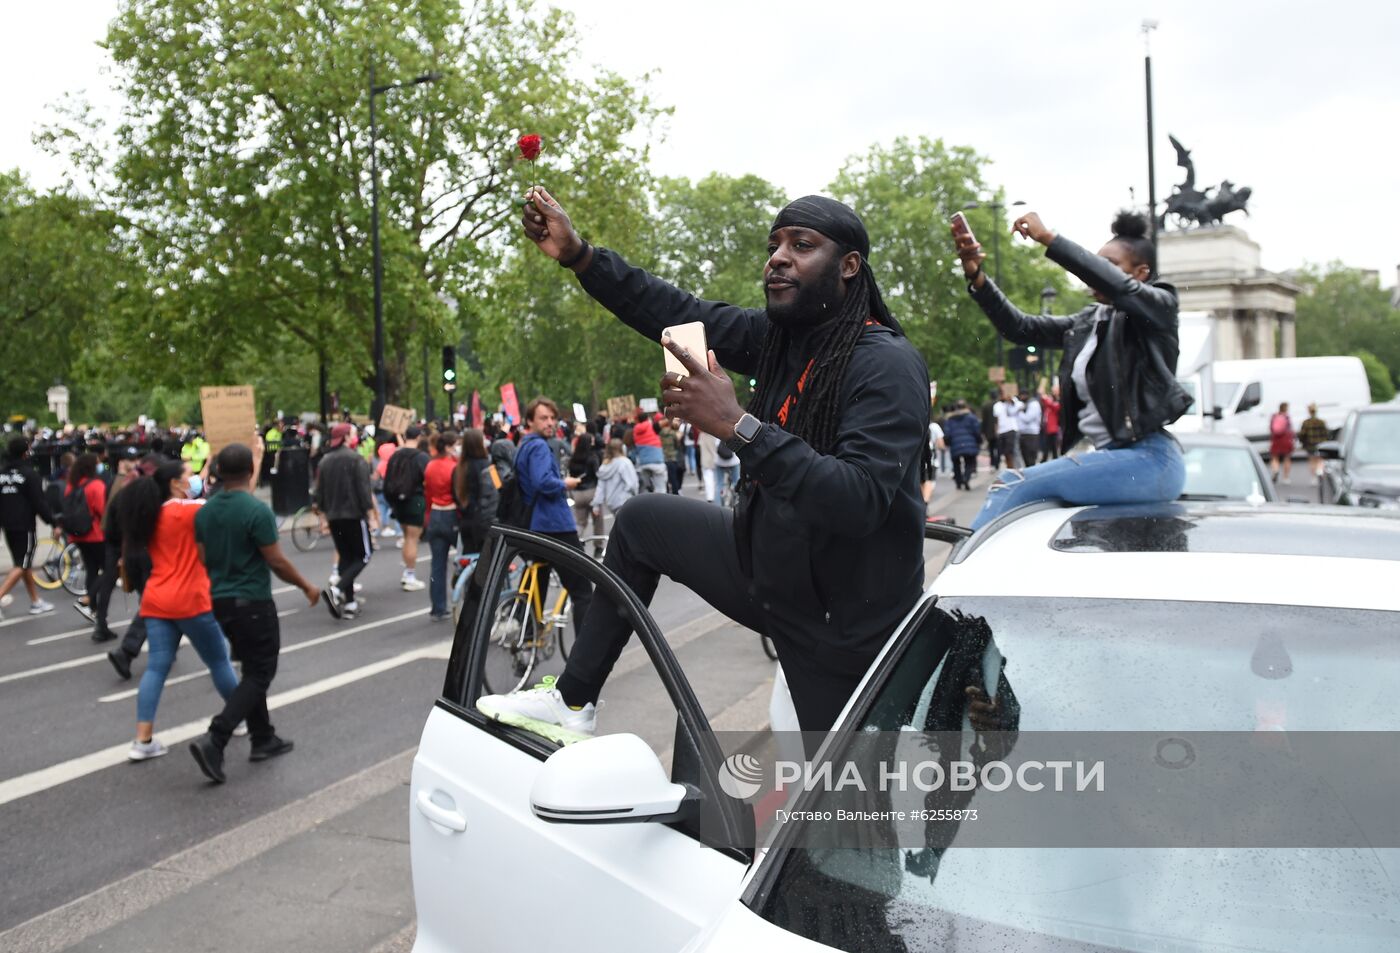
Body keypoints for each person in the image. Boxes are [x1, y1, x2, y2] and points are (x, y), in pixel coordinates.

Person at [482, 189, 928, 741]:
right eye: (774, 245)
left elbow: (858, 501)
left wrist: (739, 426)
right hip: (773, 574)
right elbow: (677, 314)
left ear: (849, 267)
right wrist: (581, 256)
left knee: (846, 809)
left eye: (802, 244)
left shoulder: (886, 363)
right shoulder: (779, 340)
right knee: (642, 521)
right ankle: (573, 703)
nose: (778, 257)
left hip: (842, 623)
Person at [954, 209, 1190, 530]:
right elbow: (1020, 328)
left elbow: (1122, 291)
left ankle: (964, 570)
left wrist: (1048, 239)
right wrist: (977, 276)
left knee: (1012, 482)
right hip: (1117, 458)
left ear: (1141, 273)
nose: (1096, 272)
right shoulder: (1088, 323)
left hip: (1150, 460)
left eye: (1110, 266)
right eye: (1097, 262)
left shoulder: (1160, 308)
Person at [189, 444, 317, 782]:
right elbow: (275, 560)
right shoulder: (255, 511)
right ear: (250, 470)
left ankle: (263, 738)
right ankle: (216, 738)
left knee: (250, 670)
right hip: (253, 601)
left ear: (216, 470)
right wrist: (306, 586)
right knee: (261, 672)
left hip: (221, 600)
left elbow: (203, 558)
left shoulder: (204, 512)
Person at [114, 459, 239, 761]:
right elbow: (232, 502)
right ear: (175, 483)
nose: (194, 478)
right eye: (189, 475)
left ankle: (143, 740)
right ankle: (240, 717)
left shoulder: (150, 514)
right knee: (219, 661)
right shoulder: (187, 511)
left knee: (156, 667)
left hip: (157, 600)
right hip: (192, 599)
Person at [510, 398, 594, 633]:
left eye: (552, 418)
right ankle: (584, 658)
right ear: (529, 421)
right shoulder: (538, 447)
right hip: (555, 524)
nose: (549, 423)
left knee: (538, 584)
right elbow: (542, 483)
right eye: (543, 418)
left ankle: (528, 639)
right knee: (582, 591)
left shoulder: (524, 445)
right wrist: (564, 483)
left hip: (534, 525)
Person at [314, 423, 377, 620]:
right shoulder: (356, 459)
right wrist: (371, 514)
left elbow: (319, 493)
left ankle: (349, 602)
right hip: (353, 514)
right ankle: (338, 590)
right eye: (352, 433)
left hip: (334, 516)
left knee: (346, 557)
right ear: (346, 438)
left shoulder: (324, 461)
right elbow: (363, 491)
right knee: (364, 555)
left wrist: (323, 516)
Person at [0, 436, 57, 619]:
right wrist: (53, 522)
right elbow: (39, 503)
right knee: (22, 563)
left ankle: (35, 601)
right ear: (26, 453)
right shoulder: (29, 474)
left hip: (7, 524)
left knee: (24, 563)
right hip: (24, 524)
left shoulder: (2, 473)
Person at [65, 453, 110, 632]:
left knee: (91, 569)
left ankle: (92, 608)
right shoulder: (96, 485)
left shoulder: (72, 485)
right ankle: (88, 599)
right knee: (109, 569)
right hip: (96, 533)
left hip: (78, 535)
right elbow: (102, 510)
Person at [384, 426, 429, 591]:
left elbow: (387, 480)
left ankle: (407, 572)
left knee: (406, 537)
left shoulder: (395, 455)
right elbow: (428, 478)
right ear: (418, 438)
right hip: (415, 500)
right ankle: (410, 575)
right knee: (412, 539)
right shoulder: (421, 457)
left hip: (398, 501)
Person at [422, 431, 460, 621]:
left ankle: (438, 607)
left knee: (437, 564)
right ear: (448, 447)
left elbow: (427, 493)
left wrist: (428, 514)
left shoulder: (430, 466)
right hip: (451, 514)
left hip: (435, 513)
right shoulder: (454, 466)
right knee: (463, 559)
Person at [453, 428, 498, 556]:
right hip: (483, 521)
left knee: (468, 559)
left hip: (465, 520)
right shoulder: (488, 466)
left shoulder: (459, 468)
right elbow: (497, 489)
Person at [567, 432, 604, 545]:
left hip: (577, 494)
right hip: (592, 491)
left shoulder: (573, 459)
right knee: (597, 521)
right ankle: (598, 546)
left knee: (580, 523)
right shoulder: (592, 457)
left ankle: (574, 544)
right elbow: (598, 474)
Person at [595, 437, 639, 524]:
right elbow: (632, 484)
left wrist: (596, 505)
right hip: (624, 500)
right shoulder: (625, 463)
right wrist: (635, 495)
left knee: (620, 524)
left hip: (611, 502)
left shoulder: (604, 466)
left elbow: (600, 487)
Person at [942, 399, 982, 490]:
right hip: (969, 443)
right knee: (970, 462)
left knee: (956, 464)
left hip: (955, 444)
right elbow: (977, 431)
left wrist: (948, 443)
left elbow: (947, 434)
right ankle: (966, 478)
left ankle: (959, 482)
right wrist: (979, 441)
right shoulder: (971, 417)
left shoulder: (949, 419)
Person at [630, 409, 667, 493]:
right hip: (657, 461)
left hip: (644, 463)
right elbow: (665, 422)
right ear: (647, 418)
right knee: (661, 488)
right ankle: (661, 504)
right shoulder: (653, 426)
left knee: (645, 488)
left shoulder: (635, 430)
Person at [1298, 403, 1330, 483]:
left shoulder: (1306, 423)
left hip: (1310, 444)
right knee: (1320, 460)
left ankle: (1313, 478)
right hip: (1321, 444)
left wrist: (1302, 442)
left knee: (1312, 460)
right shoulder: (1321, 422)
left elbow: (1302, 434)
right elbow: (1326, 433)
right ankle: (1319, 471)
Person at [992, 392, 1023, 470]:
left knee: (1012, 451)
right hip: (1002, 431)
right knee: (1005, 452)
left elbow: (1020, 405)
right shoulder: (997, 405)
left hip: (1012, 429)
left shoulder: (1012, 402)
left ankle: (1018, 468)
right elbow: (996, 419)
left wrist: (1011, 399)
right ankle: (1010, 468)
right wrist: (997, 430)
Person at [1268, 402, 1295, 482]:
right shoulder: (1286, 417)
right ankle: (1286, 477)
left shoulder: (1274, 416)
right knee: (1287, 458)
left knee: (1275, 457)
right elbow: (1290, 429)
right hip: (1286, 439)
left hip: (1276, 439)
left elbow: (1271, 428)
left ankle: (1275, 470)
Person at [1015, 390, 1042, 468]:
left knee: (1030, 459)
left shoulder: (1034, 404)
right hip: (1024, 434)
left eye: (1021, 396)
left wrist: (1019, 412)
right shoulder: (1025, 404)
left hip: (1031, 435)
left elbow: (1027, 419)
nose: (1020, 398)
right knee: (1026, 459)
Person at [921, 417, 944, 504]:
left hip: (918, 460)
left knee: (921, 482)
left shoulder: (915, 423)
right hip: (931, 460)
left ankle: (923, 504)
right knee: (929, 481)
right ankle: (925, 502)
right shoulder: (934, 426)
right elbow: (941, 443)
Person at [1040, 385, 1062, 461]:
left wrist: (1045, 397)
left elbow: (1053, 406)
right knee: (1046, 448)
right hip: (1048, 428)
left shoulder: (1058, 401)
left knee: (1054, 449)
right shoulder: (1051, 401)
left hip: (1053, 429)